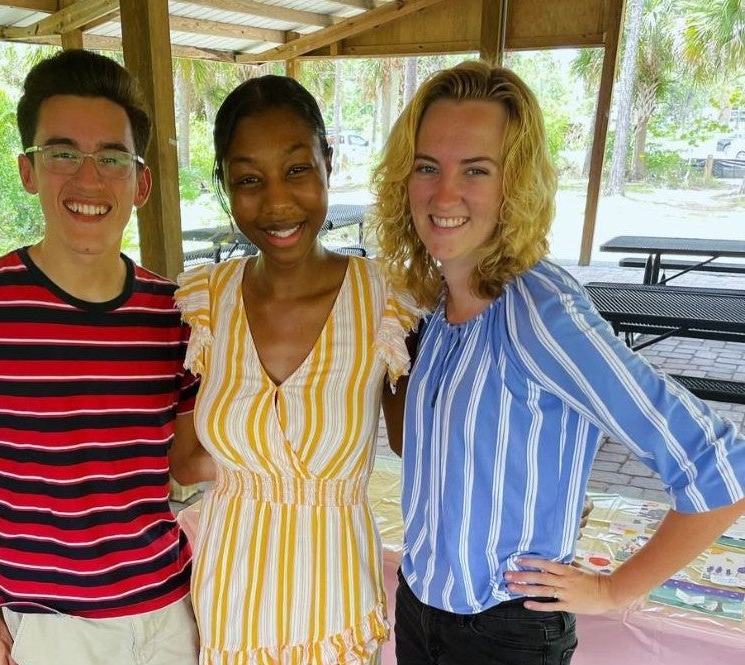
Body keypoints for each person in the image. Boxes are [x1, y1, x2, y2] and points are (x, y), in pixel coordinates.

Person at [370, 59, 745, 665]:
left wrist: (612, 589)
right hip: (420, 608)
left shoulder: (538, 310)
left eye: (476, 170)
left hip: (503, 634)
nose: (444, 194)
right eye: (427, 167)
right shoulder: (436, 304)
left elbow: (721, 466)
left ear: (513, 184)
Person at [0, 49, 207, 665]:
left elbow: (185, 457)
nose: (89, 180)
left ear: (141, 181)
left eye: (113, 158)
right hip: (48, 626)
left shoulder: (174, 315)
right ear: (28, 170)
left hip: (168, 610)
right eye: (63, 153)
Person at [170, 74, 423, 664]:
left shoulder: (385, 301)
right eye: (249, 180)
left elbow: (415, 438)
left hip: (335, 599)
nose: (277, 203)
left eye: (297, 170)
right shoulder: (206, 304)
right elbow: (184, 458)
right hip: (231, 596)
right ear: (225, 187)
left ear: (327, 163)